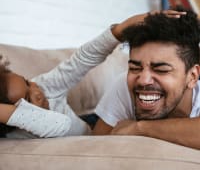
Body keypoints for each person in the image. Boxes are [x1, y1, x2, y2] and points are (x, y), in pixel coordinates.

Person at [1, 10, 183, 138]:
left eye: (27, 82)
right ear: (13, 118)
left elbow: (82, 60)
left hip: (91, 122)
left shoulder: (42, 85)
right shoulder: (19, 134)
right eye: (28, 99)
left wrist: (121, 29)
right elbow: (60, 124)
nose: (37, 91)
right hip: (90, 135)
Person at [93, 8, 200, 150]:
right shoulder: (123, 84)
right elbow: (95, 146)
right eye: (135, 68)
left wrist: (140, 128)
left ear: (192, 76)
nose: (143, 80)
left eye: (161, 70)